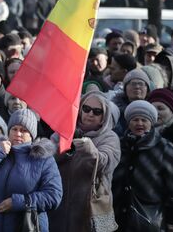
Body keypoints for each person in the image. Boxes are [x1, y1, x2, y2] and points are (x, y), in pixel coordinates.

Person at [0, 109, 63, 232]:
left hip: (26, 226)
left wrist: (19, 202)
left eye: (23, 130)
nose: (18, 134)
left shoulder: (44, 159)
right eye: (14, 129)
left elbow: (54, 196)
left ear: (31, 135)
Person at [112, 100, 173, 231]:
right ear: (128, 122)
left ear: (151, 122)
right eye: (135, 119)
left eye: (144, 120)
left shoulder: (164, 147)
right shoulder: (118, 145)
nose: (139, 123)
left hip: (150, 221)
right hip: (116, 219)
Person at [49, 91, 121, 232]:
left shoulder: (110, 137)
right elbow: (47, 159)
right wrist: (62, 148)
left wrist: (90, 151)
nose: (90, 114)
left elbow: (106, 163)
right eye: (86, 109)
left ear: (104, 117)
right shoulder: (65, 130)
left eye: (97, 111)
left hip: (90, 209)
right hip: (59, 207)